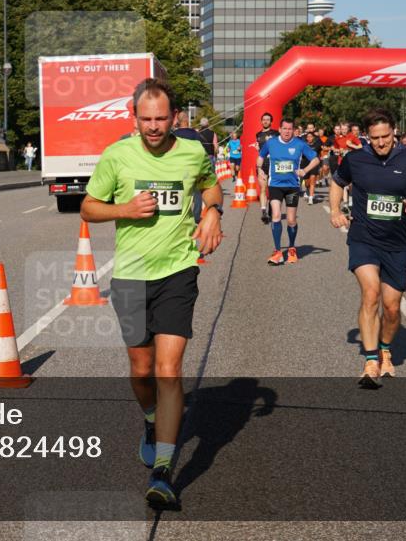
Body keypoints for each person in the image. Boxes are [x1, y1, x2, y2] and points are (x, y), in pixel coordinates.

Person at [81, 78, 223, 510]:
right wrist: (124, 209)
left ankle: (163, 471)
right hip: (131, 275)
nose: (155, 126)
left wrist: (213, 211)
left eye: (162, 118)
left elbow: (210, 185)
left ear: (175, 117)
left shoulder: (193, 151)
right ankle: (149, 420)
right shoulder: (117, 156)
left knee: (168, 369)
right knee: (141, 369)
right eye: (146, 119)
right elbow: (89, 207)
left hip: (179, 271)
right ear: (134, 117)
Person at [330, 108, 406, 388]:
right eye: (375, 138)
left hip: (397, 244)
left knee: (392, 308)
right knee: (371, 293)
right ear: (367, 136)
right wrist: (335, 210)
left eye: (385, 136)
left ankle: (385, 348)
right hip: (363, 238)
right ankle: (371, 359)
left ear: (394, 132)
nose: (381, 143)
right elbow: (337, 182)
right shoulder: (356, 159)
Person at [257, 118, 320, 265]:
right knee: (277, 215)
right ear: (279, 129)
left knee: (291, 220)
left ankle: (291, 248)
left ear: (293, 130)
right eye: (284, 129)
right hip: (275, 185)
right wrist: (260, 170)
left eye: (290, 129)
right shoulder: (271, 143)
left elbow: (316, 159)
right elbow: (260, 158)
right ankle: (278, 251)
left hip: (292, 186)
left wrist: (304, 170)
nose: (287, 131)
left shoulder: (299, 144)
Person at [255, 112, 277, 224]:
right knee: (263, 188)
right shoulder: (258, 134)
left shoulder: (276, 133)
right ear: (261, 121)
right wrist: (257, 148)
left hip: (273, 163)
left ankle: (271, 208)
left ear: (271, 121)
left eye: (268, 119)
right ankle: (263, 211)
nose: (265, 121)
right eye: (263, 119)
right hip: (262, 163)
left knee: (272, 189)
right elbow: (259, 150)